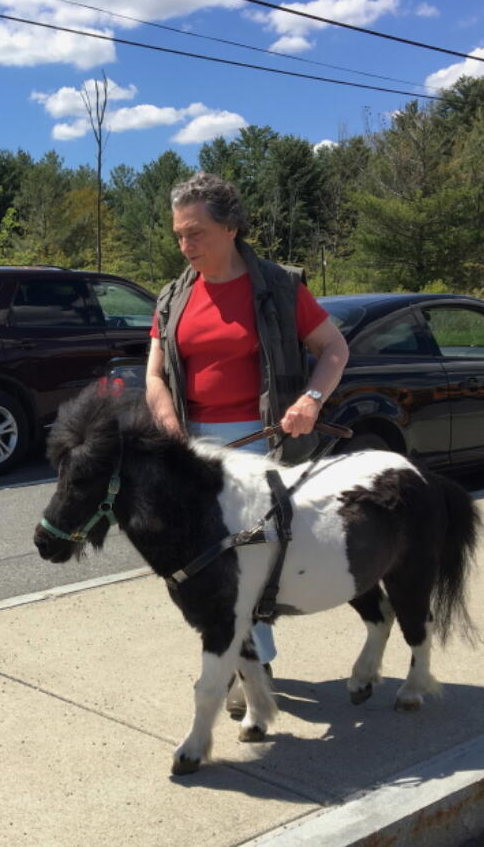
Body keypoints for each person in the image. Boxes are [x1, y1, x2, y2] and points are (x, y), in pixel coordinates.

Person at [145, 171, 349, 673]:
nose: (185, 245)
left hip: (262, 446)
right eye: (178, 235)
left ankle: (250, 666)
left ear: (231, 227)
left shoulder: (279, 288)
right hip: (193, 447)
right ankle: (244, 664)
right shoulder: (172, 297)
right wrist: (169, 423)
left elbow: (334, 350)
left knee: (248, 565)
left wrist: (311, 401)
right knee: (203, 566)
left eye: (196, 233)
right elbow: (153, 375)